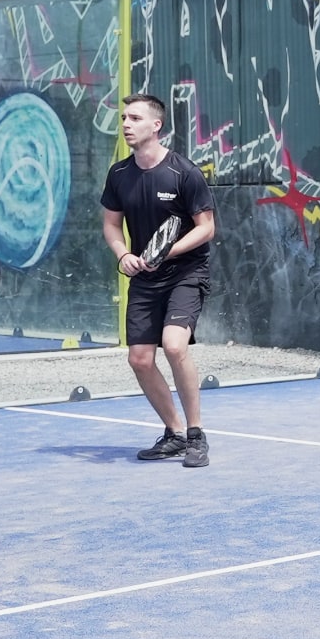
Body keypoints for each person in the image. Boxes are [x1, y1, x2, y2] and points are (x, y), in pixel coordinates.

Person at [101, 92, 217, 468]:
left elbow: (206, 229)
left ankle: (197, 434)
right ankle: (174, 433)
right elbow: (111, 225)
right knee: (139, 359)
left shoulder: (184, 173)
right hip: (144, 279)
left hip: (186, 273)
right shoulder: (119, 174)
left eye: (134, 118)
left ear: (156, 125)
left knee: (174, 345)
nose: (126, 125)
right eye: (123, 119)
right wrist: (124, 255)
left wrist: (169, 251)